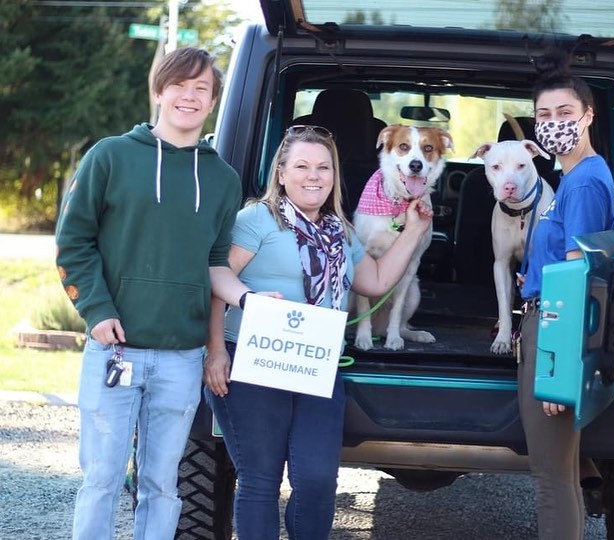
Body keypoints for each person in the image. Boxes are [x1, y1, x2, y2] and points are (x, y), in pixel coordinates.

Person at [203, 125, 434, 539]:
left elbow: (378, 280)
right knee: (260, 479)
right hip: (253, 363)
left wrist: (414, 230)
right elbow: (216, 272)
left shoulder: (340, 232)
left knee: (317, 480)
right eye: (303, 166)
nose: (314, 176)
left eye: (323, 167)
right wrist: (220, 343)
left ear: (334, 175)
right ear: (282, 174)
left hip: (316, 367)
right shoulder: (257, 218)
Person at [56, 47, 243, 540]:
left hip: (180, 359)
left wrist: (252, 301)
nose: (189, 95)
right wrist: (95, 310)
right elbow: (73, 242)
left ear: (212, 104)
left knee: (162, 485)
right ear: (159, 91)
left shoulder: (223, 180)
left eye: (202, 89)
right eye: (179, 85)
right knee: (101, 479)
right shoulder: (111, 156)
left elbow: (215, 267)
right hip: (114, 350)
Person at [517, 50, 614, 540]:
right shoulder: (577, 177)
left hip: (555, 331)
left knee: (551, 478)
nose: (553, 123)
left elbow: (581, 274)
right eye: (543, 115)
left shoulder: (582, 184)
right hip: (549, 322)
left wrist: (558, 366)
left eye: (564, 114)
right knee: (566, 474)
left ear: (587, 116)